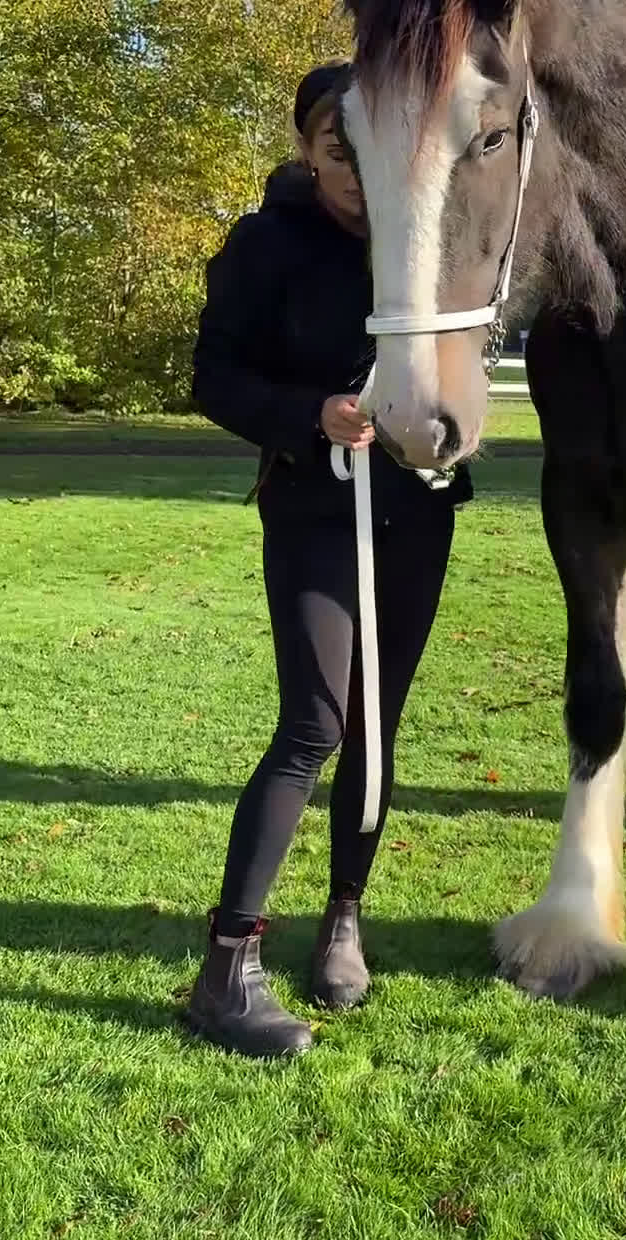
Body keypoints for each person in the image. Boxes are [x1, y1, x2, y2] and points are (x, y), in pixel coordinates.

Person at [186, 63, 471, 1059]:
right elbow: (211, 374)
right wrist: (308, 415)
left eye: (371, 146)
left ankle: (345, 915)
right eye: (335, 146)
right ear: (311, 148)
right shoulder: (269, 243)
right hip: (314, 507)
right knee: (314, 724)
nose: (354, 168)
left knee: (377, 730)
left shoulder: (423, 239)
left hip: (417, 509)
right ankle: (226, 968)